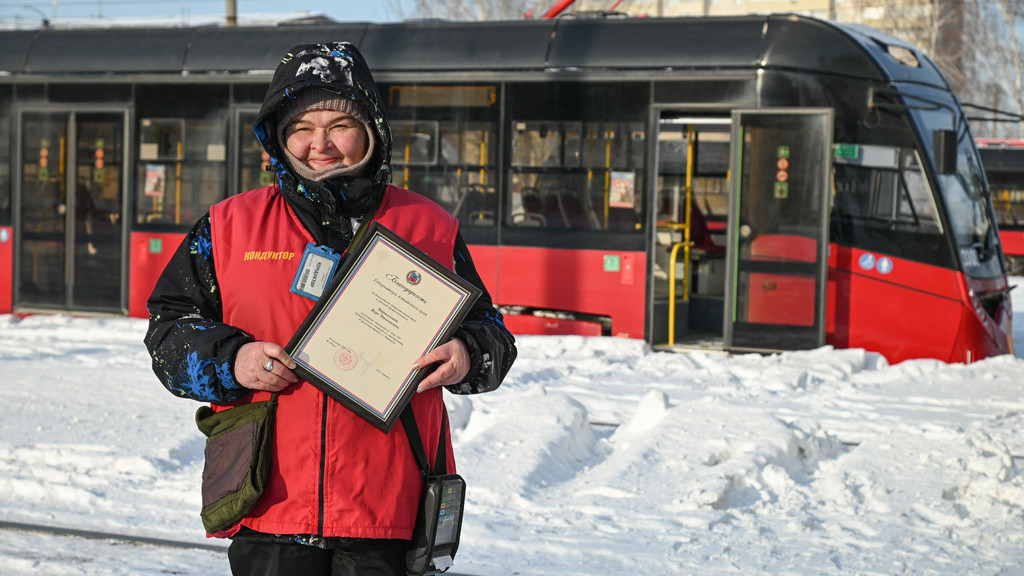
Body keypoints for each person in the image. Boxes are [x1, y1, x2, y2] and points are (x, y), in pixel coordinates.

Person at [145, 42, 517, 576]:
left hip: (390, 509)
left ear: (372, 128)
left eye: (340, 123)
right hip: (269, 505)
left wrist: (466, 354)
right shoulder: (227, 227)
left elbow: (494, 337)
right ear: (277, 134)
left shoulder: (431, 226)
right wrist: (232, 361)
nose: (319, 144)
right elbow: (168, 332)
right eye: (301, 127)